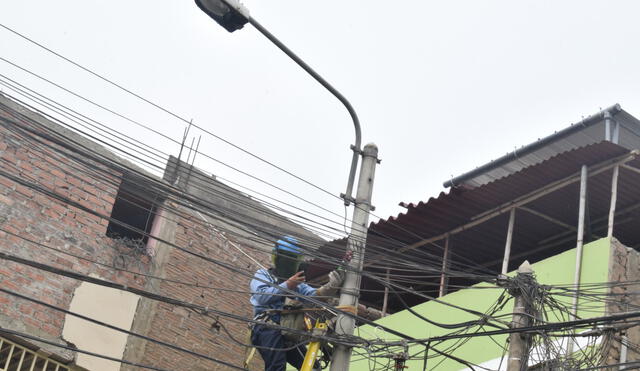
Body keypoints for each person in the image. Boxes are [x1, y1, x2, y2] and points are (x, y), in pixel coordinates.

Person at [250, 236, 343, 371]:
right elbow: (262, 297)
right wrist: (288, 284)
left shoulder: (299, 286)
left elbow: (315, 296)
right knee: (277, 366)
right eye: (286, 259)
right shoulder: (263, 275)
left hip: (288, 333)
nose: (288, 264)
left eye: (291, 259)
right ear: (277, 257)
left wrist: (331, 286)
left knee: (313, 367)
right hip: (266, 328)